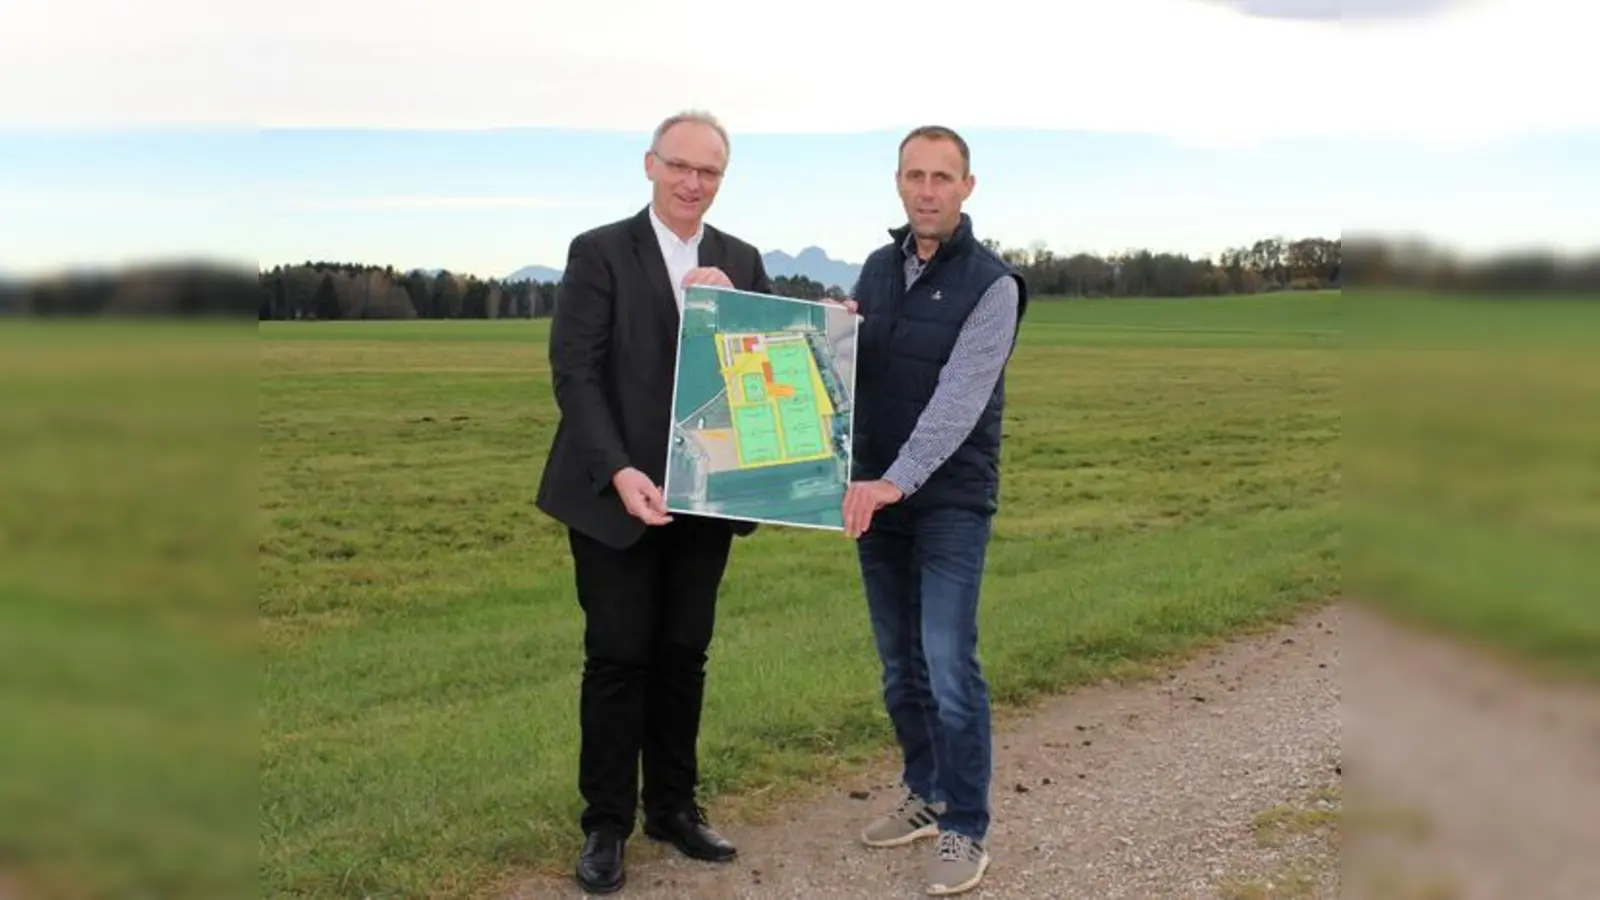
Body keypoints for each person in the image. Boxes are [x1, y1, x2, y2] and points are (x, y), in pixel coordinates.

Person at [535, 109, 772, 895]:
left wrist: (738, 306)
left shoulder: (740, 259)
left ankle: (673, 807)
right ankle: (605, 825)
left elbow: (769, 366)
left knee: (683, 655)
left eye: (709, 171)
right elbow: (577, 373)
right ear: (650, 164)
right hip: (616, 500)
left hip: (704, 500)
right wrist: (620, 473)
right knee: (617, 656)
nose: (693, 182)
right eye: (680, 166)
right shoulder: (599, 252)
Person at [838, 124, 1028, 896]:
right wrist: (825, 334)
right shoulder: (878, 270)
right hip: (877, 497)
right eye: (914, 175)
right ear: (898, 182)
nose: (926, 190)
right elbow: (856, 370)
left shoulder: (994, 285)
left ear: (966, 188)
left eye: (941, 177)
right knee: (899, 667)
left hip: (947, 499)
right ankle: (925, 791)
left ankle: (965, 827)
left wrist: (896, 481)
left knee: (949, 664)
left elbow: (957, 404)